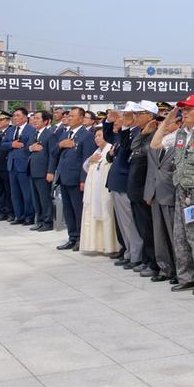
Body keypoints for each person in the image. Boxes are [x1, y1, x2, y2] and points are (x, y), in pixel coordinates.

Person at [151, 95, 194, 295]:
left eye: (189, 109)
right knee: (180, 236)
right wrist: (168, 119)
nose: (185, 113)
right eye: (183, 109)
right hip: (181, 190)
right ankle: (186, 277)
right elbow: (155, 144)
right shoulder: (180, 133)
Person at [104, 105, 144, 270]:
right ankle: (128, 252)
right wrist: (108, 120)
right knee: (122, 224)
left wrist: (126, 126)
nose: (119, 119)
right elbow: (108, 136)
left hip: (125, 183)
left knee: (129, 223)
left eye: (124, 116)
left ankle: (136, 255)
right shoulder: (122, 134)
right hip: (116, 183)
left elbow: (128, 148)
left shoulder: (135, 133)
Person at [52, 106, 98, 251]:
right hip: (63, 177)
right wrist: (60, 144)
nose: (69, 118)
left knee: (78, 210)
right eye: (68, 116)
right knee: (68, 210)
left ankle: (80, 238)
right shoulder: (66, 133)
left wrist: (83, 180)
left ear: (81, 118)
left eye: (72, 116)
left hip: (76, 179)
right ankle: (72, 237)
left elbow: (87, 159)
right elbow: (53, 153)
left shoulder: (86, 135)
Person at [144, 102, 179, 284]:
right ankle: (165, 268)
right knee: (159, 235)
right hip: (155, 193)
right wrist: (149, 192)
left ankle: (177, 269)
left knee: (174, 236)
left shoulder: (177, 139)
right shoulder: (158, 139)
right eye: (160, 120)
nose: (162, 124)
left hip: (170, 193)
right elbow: (151, 165)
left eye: (167, 121)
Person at [129, 101, 160, 278]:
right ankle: (147, 260)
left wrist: (145, 134)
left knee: (149, 229)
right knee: (142, 227)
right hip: (136, 187)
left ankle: (154, 263)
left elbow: (144, 152)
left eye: (140, 114)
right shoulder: (144, 133)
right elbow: (134, 149)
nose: (136, 117)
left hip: (146, 189)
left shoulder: (155, 135)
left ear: (149, 116)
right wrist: (142, 134)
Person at [80, 127, 119, 255]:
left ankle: (110, 246)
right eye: (95, 136)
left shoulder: (110, 150)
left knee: (107, 217)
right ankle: (96, 245)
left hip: (104, 191)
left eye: (100, 135)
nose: (97, 138)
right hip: (93, 191)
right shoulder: (97, 151)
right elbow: (87, 166)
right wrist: (90, 160)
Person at [28, 111, 58, 231]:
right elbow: (26, 150)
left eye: (37, 118)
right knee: (36, 198)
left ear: (45, 121)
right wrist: (31, 147)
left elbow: (52, 155)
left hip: (43, 171)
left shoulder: (50, 135)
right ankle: (39, 220)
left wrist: (50, 171)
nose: (34, 121)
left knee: (45, 198)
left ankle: (47, 222)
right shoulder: (34, 134)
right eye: (34, 118)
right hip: (33, 170)